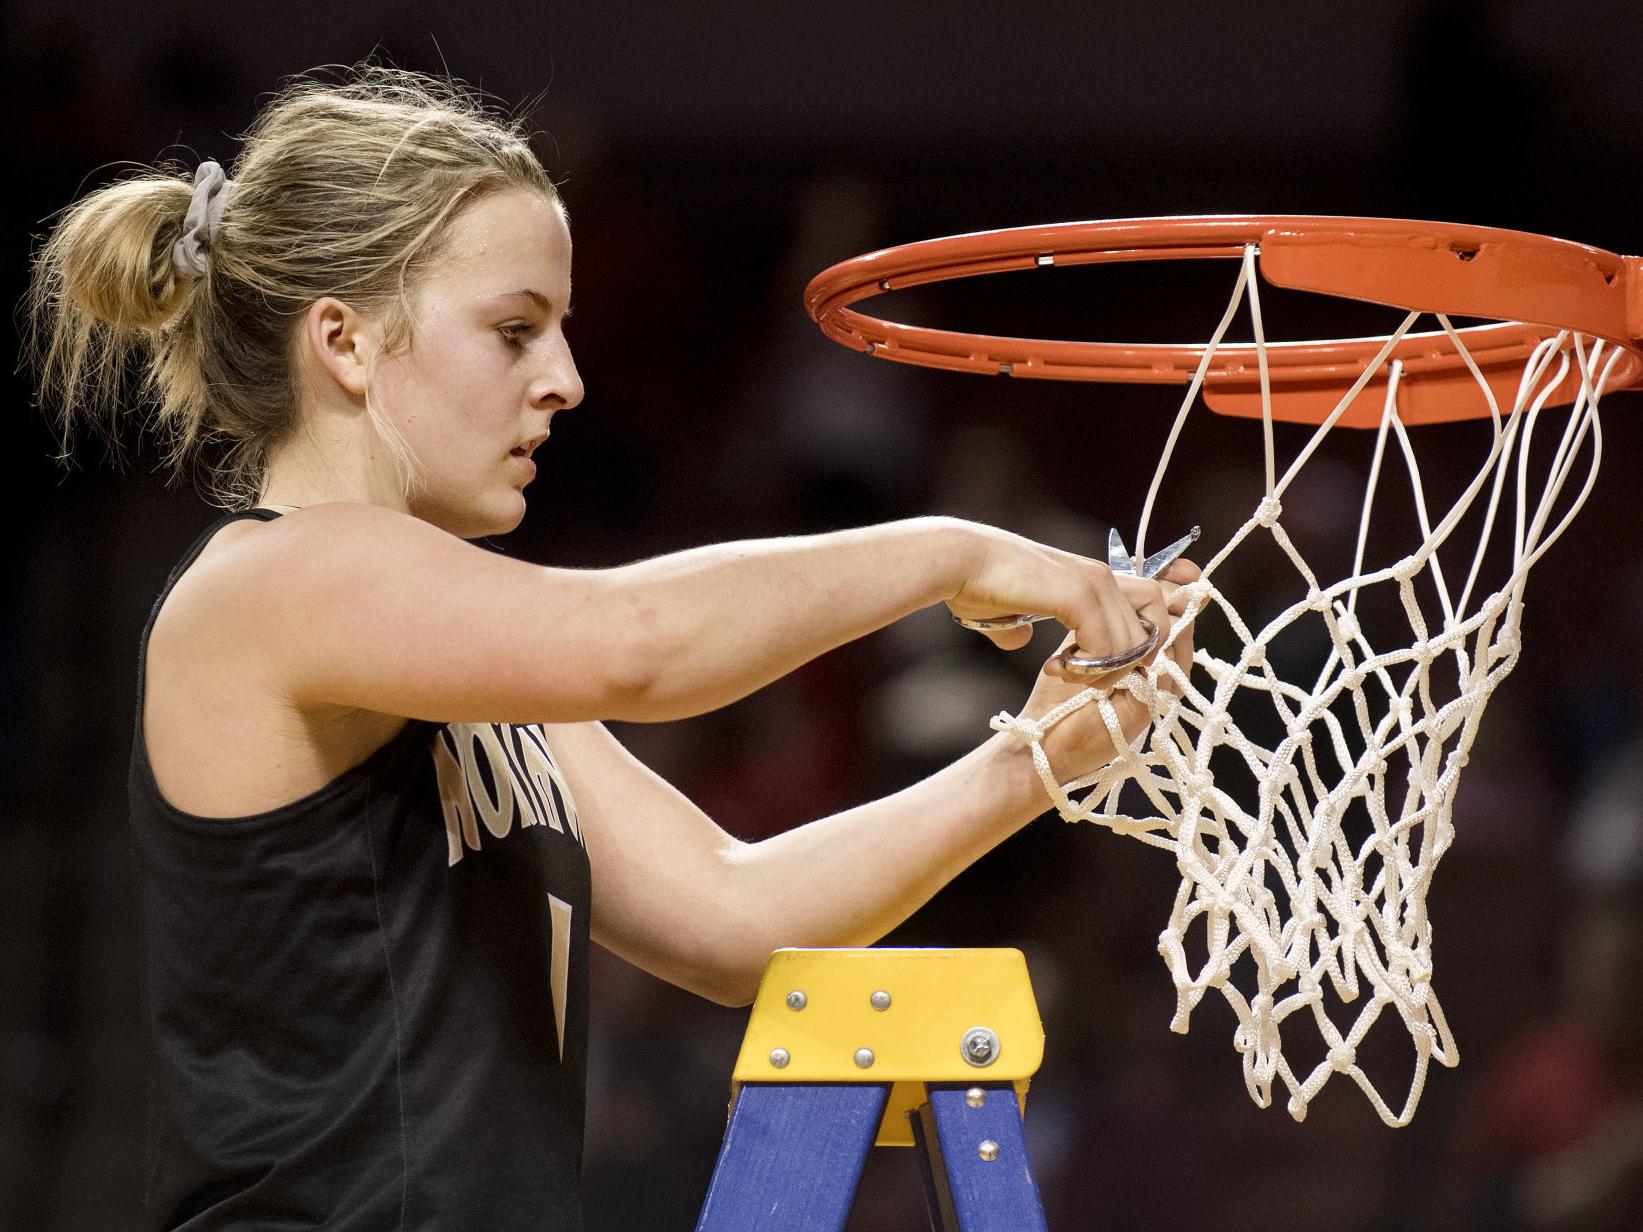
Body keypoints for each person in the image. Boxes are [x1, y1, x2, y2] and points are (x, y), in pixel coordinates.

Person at [25, 65, 1196, 1232]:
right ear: (344, 340)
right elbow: (643, 644)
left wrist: (1037, 753)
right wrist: (946, 549)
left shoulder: (467, 660)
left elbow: (738, 920)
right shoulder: (274, 578)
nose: (566, 380)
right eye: (513, 330)